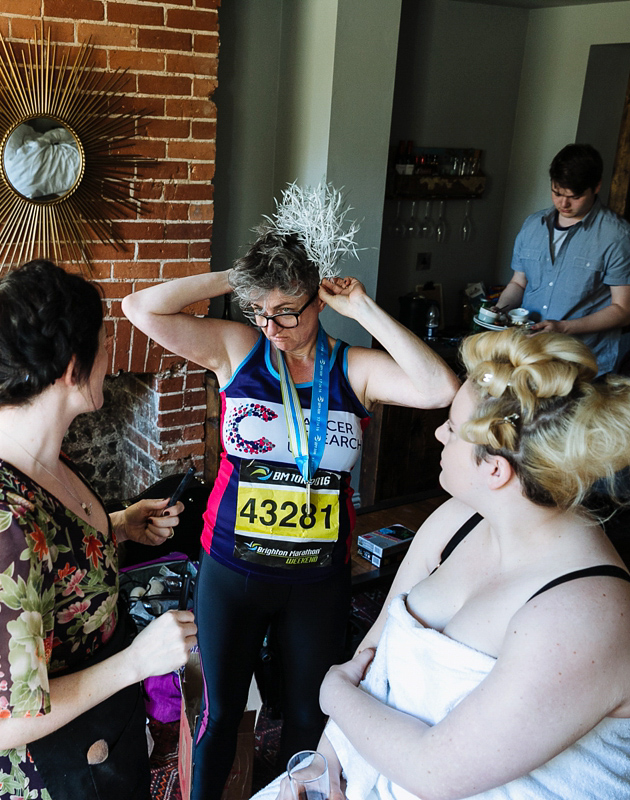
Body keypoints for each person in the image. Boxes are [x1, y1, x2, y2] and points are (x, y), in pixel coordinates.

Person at [123, 183, 460, 800]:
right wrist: (237, 276)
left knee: (308, 719)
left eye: (289, 310)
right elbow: (140, 309)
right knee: (221, 713)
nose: (274, 326)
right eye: (261, 310)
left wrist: (364, 309)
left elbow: (441, 387)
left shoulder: (352, 367)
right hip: (233, 568)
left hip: (317, 579)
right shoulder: (239, 350)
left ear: (317, 300)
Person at [255, 328, 630, 800]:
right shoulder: (455, 522)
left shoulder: (584, 613)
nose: (438, 433)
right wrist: (326, 762)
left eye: (451, 428)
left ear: (495, 470)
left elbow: (435, 773)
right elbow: (373, 661)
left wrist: (332, 691)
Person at [0, 260, 198, 800]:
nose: (111, 359)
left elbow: (51, 551)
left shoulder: (18, 437)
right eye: (103, 344)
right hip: (37, 777)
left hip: (90, 743)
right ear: (72, 369)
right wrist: (137, 662)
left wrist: (119, 525)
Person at [495, 144, 630, 375]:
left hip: (581, 364)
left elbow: (624, 310)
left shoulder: (618, 237)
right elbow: (518, 283)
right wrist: (499, 310)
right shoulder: (532, 226)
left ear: (597, 187)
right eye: (557, 193)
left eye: (574, 197)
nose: (563, 204)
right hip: (527, 356)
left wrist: (564, 328)